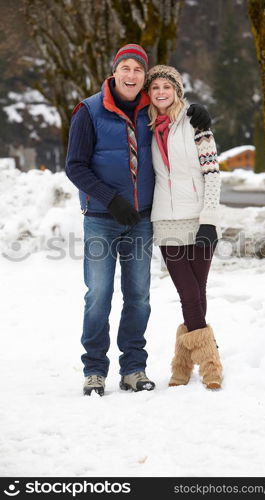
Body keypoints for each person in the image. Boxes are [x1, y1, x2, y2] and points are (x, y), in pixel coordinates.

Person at [65, 44, 212, 396]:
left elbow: (175, 111)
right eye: (125, 68)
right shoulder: (89, 111)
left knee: (139, 296)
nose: (131, 75)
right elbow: (75, 166)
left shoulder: (150, 108)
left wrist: (198, 112)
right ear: (114, 71)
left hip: (142, 220)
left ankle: (133, 367)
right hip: (102, 217)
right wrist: (109, 199)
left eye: (138, 70)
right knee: (98, 294)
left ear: (144, 77)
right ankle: (95, 370)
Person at [145, 65, 223, 390]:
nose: (161, 92)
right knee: (188, 292)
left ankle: (182, 362)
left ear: (177, 90)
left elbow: (212, 173)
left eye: (167, 86)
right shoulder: (146, 127)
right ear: (149, 94)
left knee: (198, 293)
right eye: (155, 88)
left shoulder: (196, 123)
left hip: (198, 216)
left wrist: (210, 220)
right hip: (165, 219)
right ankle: (210, 364)